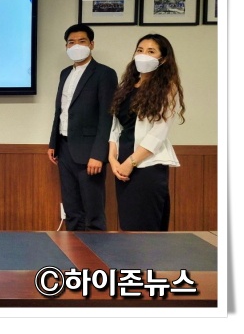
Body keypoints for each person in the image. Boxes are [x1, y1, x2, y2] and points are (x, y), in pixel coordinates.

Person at [108, 33, 185, 231]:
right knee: (128, 226)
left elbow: (159, 133)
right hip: (122, 162)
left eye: (151, 52)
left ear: (163, 59)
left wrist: (131, 162)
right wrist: (112, 158)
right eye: (140, 50)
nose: (143, 55)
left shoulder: (167, 89)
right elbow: (116, 126)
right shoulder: (126, 87)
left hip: (147, 164)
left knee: (145, 230)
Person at [48, 24, 118, 231]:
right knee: (72, 208)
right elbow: (61, 111)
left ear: (91, 44)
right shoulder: (65, 73)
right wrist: (53, 143)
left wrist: (98, 155)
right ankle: (73, 249)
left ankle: (96, 250)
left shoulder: (105, 73)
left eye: (82, 41)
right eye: (71, 42)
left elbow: (107, 116)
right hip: (64, 147)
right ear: (66, 46)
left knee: (93, 210)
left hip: (90, 152)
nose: (76, 46)